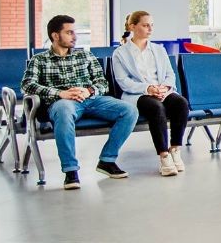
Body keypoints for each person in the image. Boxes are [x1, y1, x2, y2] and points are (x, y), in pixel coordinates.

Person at [21, 15, 139, 190]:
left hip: (91, 99)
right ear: (55, 35)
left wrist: (88, 91)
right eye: (69, 33)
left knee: (129, 111)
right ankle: (70, 171)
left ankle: (107, 160)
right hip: (62, 102)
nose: (74, 37)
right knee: (64, 112)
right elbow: (27, 85)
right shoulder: (39, 60)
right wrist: (60, 93)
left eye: (75, 32)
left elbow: (102, 82)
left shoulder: (85, 55)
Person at [112, 11, 188, 177]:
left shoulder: (158, 50)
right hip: (138, 94)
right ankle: (164, 156)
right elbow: (124, 82)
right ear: (133, 27)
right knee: (155, 107)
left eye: (151, 25)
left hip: (161, 91)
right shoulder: (120, 53)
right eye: (145, 25)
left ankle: (175, 148)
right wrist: (148, 89)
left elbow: (170, 74)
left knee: (181, 103)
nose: (150, 29)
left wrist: (165, 88)